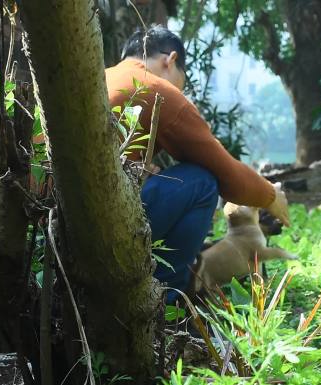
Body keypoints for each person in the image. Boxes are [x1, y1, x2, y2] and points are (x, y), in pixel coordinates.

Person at [105, 25, 290, 303]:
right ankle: (167, 295)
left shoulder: (102, 77)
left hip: (55, 221)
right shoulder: (156, 88)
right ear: (171, 60)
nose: (179, 90)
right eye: (181, 82)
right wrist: (271, 195)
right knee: (203, 181)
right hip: (107, 225)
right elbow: (227, 173)